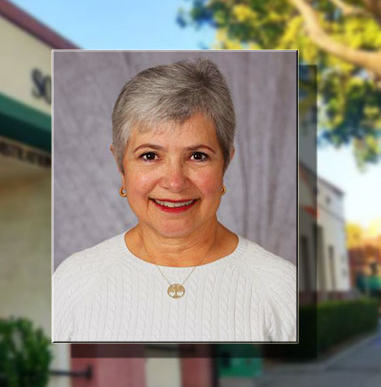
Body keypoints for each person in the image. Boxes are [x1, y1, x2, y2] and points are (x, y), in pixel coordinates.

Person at [53, 58, 296, 342]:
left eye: (197, 156)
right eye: (149, 156)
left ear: (226, 163)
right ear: (121, 165)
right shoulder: (73, 280)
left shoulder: (282, 287)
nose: (175, 182)